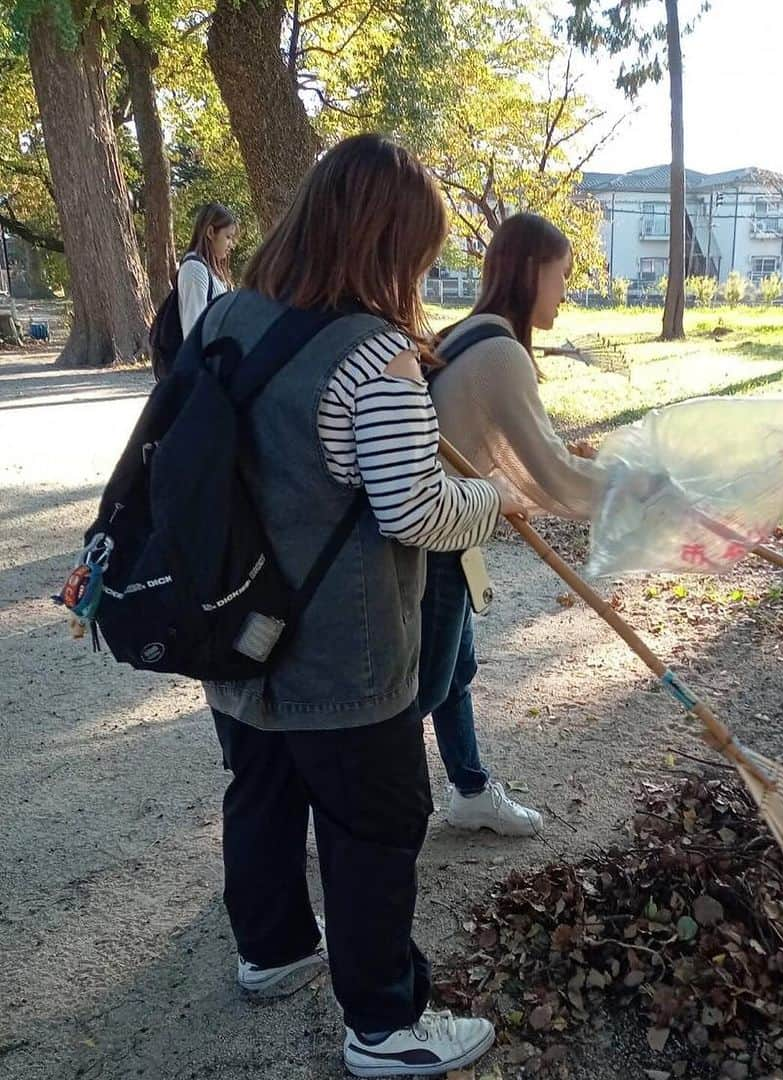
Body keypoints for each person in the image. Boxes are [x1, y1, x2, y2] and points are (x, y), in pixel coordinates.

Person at [196, 135, 523, 1078]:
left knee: (257, 793)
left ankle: (272, 952)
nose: (422, 268)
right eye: (418, 248)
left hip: (235, 633)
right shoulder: (375, 357)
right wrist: (494, 499)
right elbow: (416, 509)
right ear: (388, 242)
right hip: (342, 650)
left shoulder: (230, 323)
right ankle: (385, 1025)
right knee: (374, 825)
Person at [420, 212, 602, 837]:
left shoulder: (467, 333)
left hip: (445, 538)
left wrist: (568, 457)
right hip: (436, 543)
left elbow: (519, 452)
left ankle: (469, 789)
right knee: (421, 689)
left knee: (454, 673)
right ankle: (370, 820)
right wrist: (636, 488)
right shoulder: (499, 351)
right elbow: (548, 478)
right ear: (531, 272)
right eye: (561, 275)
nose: (564, 291)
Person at [178, 202, 237, 338]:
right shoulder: (194, 269)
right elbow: (192, 332)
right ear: (210, 232)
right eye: (228, 237)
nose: (231, 245)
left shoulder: (211, 272)